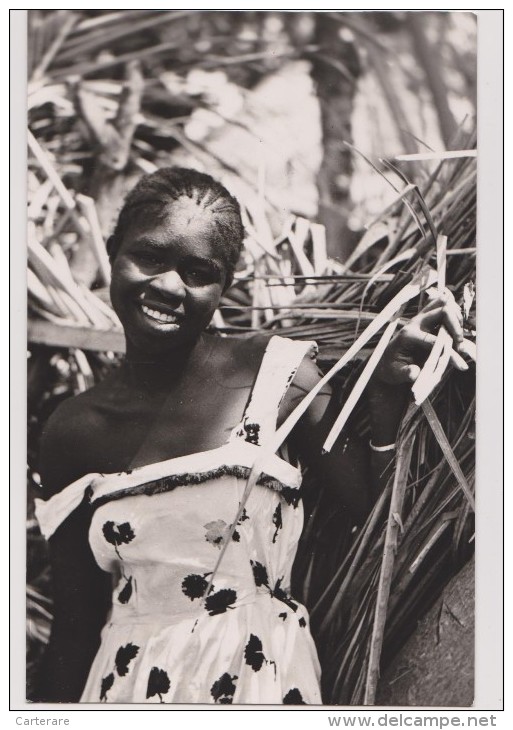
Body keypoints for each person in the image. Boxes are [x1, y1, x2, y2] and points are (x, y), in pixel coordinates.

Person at [34, 167, 468, 704]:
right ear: (112, 251)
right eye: (148, 257)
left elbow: (368, 508)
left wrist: (383, 395)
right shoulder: (73, 430)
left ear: (226, 285)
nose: (169, 285)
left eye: (198, 271)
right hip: (124, 692)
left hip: (256, 676)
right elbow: (74, 628)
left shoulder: (275, 373)